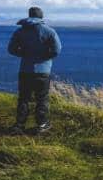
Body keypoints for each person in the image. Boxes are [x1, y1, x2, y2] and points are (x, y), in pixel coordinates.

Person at [7, 7, 62, 135]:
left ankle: (19, 125)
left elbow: (11, 49)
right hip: (43, 71)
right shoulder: (49, 31)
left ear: (29, 15)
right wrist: (44, 56)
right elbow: (56, 50)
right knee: (42, 98)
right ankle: (42, 125)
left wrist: (25, 54)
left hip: (25, 70)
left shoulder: (19, 32)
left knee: (23, 98)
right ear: (41, 17)